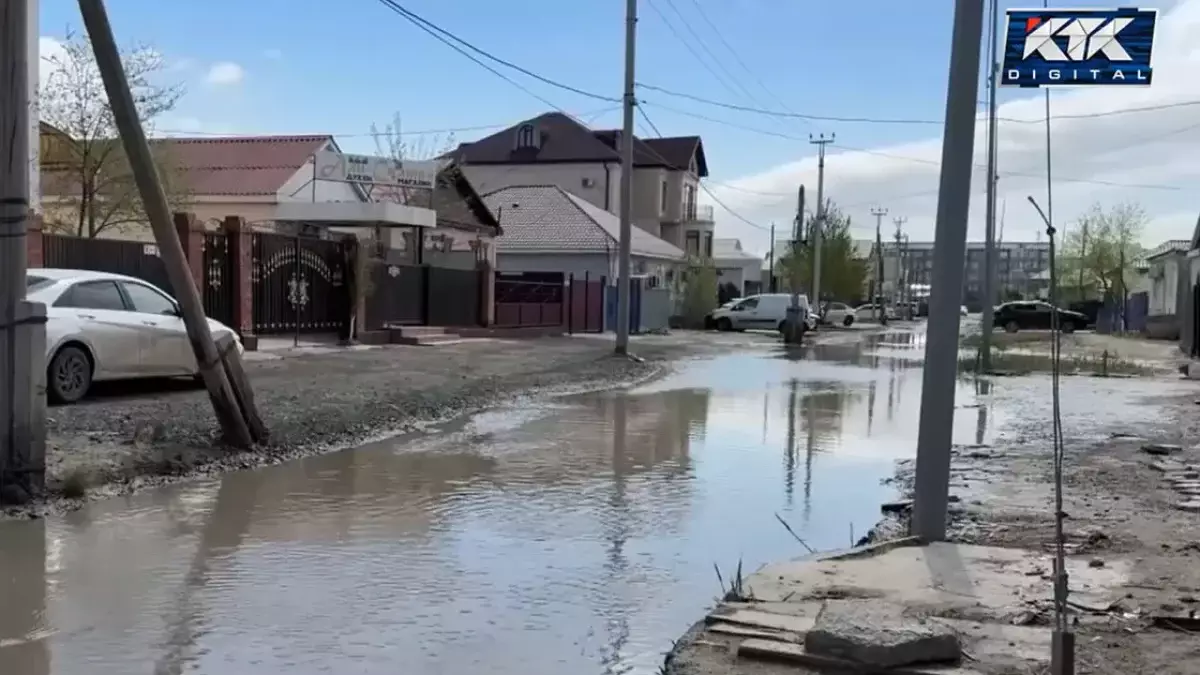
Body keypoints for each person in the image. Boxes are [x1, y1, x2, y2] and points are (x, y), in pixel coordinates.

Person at [337, 236, 358, 345]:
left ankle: (347, 336)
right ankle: (347, 337)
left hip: (348, 291)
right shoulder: (349, 261)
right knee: (349, 314)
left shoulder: (349, 261)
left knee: (348, 314)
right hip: (348, 291)